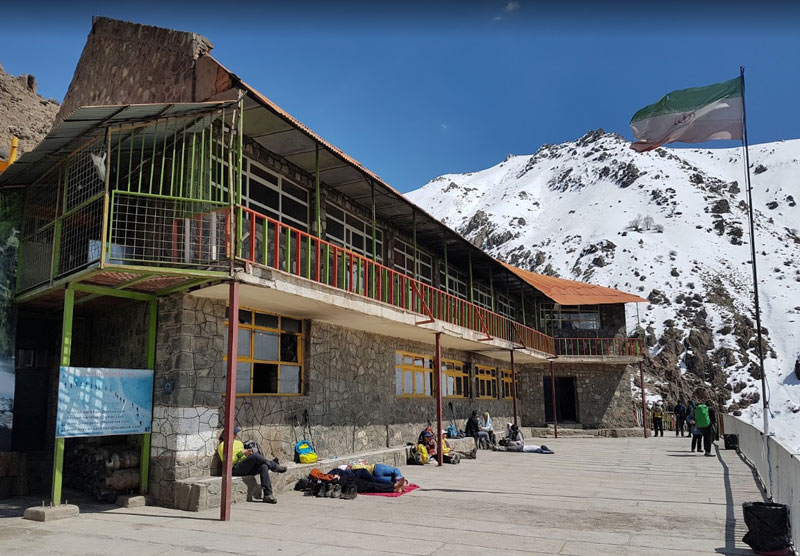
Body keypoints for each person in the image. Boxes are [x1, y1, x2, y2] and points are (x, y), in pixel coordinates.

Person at [218, 426, 287, 504]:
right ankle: (274, 466)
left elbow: (244, 455)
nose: (235, 435)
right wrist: (242, 453)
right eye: (233, 434)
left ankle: (268, 494)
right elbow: (229, 461)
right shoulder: (222, 445)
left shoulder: (239, 443)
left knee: (263, 466)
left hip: (244, 466)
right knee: (255, 457)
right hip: (234, 468)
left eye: (235, 434)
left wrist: (247, 454)